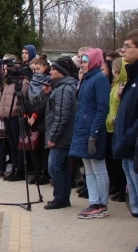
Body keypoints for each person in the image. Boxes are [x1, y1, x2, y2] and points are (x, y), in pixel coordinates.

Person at [70, 48, 110, 218]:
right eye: (82, 61)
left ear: (93, 62)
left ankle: (101, 203)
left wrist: (94, 133)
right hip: (82, 130)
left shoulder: (99, 80)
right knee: (89, 169)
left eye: (85, 61)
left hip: (93, 130)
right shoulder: (86, 80)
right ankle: (94, 201)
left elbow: (102, 109)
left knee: (98, 168)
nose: (82, 64)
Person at [43, 58, 78, 210]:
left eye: (53, 69)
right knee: (61, 166)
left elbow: (61, 116)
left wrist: (53, 136)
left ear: (62, 72)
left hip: (62, 136)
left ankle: (60, 198)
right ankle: (63, 197)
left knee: (54, 166)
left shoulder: (64, 89)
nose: (50, 71)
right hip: (63, 135)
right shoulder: (60, 88)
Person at [113, 29, 138, 218]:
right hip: (126, 147)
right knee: (134, 201)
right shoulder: (132, 77)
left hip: (132, 147)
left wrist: (128, 137)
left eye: (127, 47)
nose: (123, 51)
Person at [26, 55, 51, 185]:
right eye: (34, 69)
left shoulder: (48, 81)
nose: (36, 72)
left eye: (38, 69)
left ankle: (44, 173)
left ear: (45, 68)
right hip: (31, 118)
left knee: (43, 149)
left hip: (43, 118)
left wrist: (35, 114)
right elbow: (27, 98)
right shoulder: (32, 82)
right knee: (34, 147)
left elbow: (45, 101)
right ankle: (37, 171)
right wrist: (27, 113)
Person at [106, 58, 127, 202]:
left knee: (119, 163)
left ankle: (122, 188)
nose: (115, 72)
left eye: (117, 70)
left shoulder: (125, 85)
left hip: (118, 127)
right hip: (109, 126)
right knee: (112, 161)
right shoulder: (114, 84)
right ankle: (117, 186)